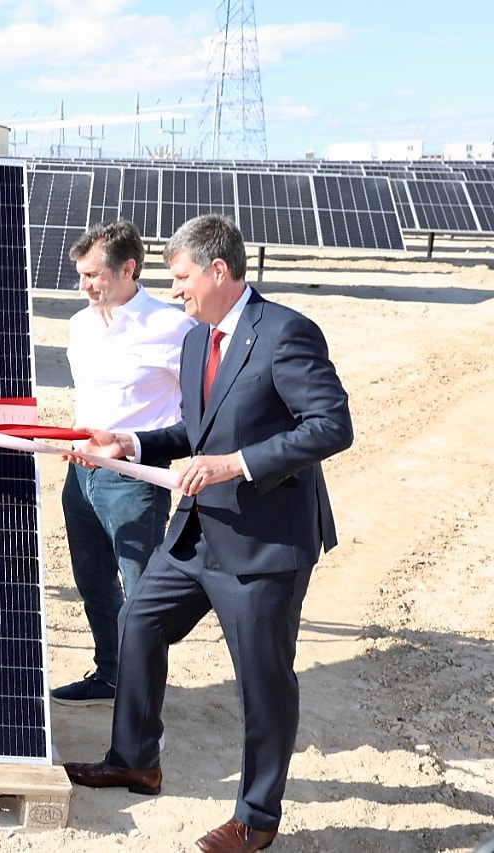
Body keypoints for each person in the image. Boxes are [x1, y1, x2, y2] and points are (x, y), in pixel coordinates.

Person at [62, 214, 353, 852]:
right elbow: (195, 434)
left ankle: (256, 818)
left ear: (218, 271)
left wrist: (235, 464)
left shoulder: (285, 332)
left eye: (183, 278)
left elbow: (330, 426)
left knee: (262, 678)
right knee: (140, 620)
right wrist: (129, 441)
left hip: (262, 541)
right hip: (196, 532)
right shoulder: (198, 339)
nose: (177, 292)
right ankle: (135, 758)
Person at [52, 220, 194, 707]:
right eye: (81, 275)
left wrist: (131, 444)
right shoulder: (80, 324)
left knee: (142, 594)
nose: (84, 285)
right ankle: (111, 674)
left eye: (93, 275)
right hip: (80, 476)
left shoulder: (173, 328)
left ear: (128, 268)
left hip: (133, 482)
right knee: (93, 582)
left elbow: (197, 412)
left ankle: (142, 695)